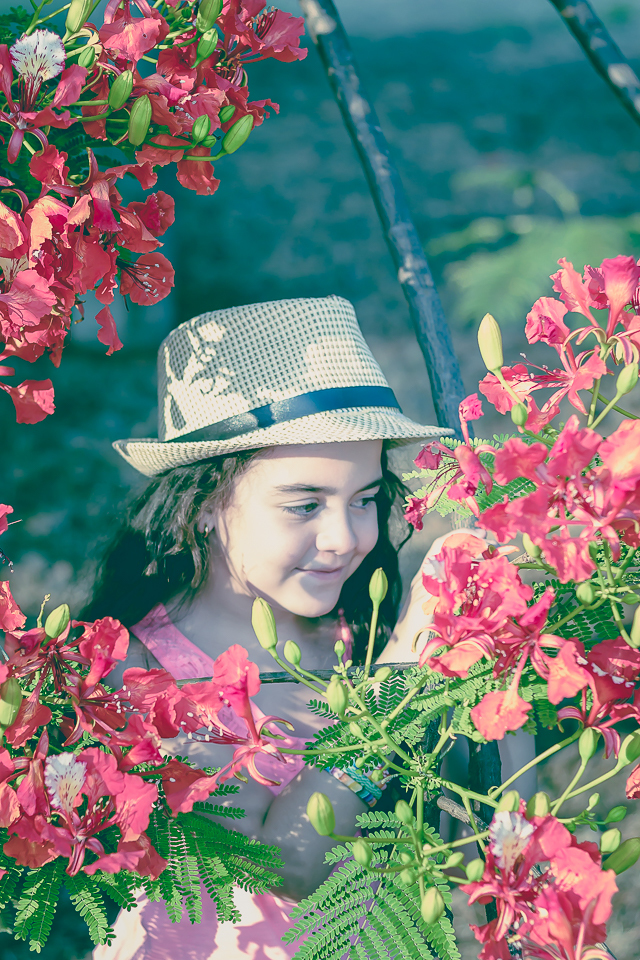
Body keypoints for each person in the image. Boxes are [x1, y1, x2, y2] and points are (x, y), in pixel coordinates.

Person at [87, 295, 448, 960]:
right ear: (203, 504)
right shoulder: (140, 675)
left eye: (365, 500)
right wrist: (404, 675)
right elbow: (285, 870)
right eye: (304, 504)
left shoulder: (354, 632)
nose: (345, 539)